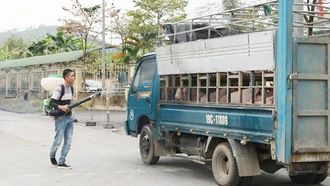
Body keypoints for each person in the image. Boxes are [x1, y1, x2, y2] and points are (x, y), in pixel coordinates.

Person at [49, 69, 75, 169]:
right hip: (60, 118)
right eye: (71, 76)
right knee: (58, 141)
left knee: (68, 142)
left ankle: (61, 161)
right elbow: (52, 102)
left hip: (69, 118)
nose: (73, 78)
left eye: (73, 76)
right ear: (66, 77)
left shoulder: (72, 88)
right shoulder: (60, 89)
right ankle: (52, 155)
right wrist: (61, 107)